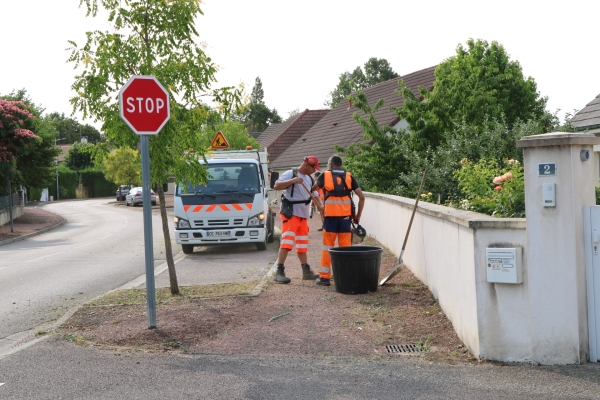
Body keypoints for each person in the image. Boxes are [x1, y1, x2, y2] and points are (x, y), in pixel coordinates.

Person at [312, 155, 365, 286]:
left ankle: (324, 278)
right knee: (345, 250)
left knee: (327, 248)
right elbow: (362, 197)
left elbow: (314, 189)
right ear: (340, 165)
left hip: (330, 219)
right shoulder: (349, 177)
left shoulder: (325, 175)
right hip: (346, 219)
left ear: (330, 165)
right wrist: (357, 216)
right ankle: (345, 277)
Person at [272, 156, 322, 284]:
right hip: (291, 214)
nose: (313, 171)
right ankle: (279, 271)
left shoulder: (310, 179)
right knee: (287, 243)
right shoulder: (291, 173)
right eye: (313, 168)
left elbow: (315, 195)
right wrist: (293, 181)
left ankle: (306, 271)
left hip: (303, 215)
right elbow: (276, 186)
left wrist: (321, 207)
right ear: (306, 164)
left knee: (302, 244)